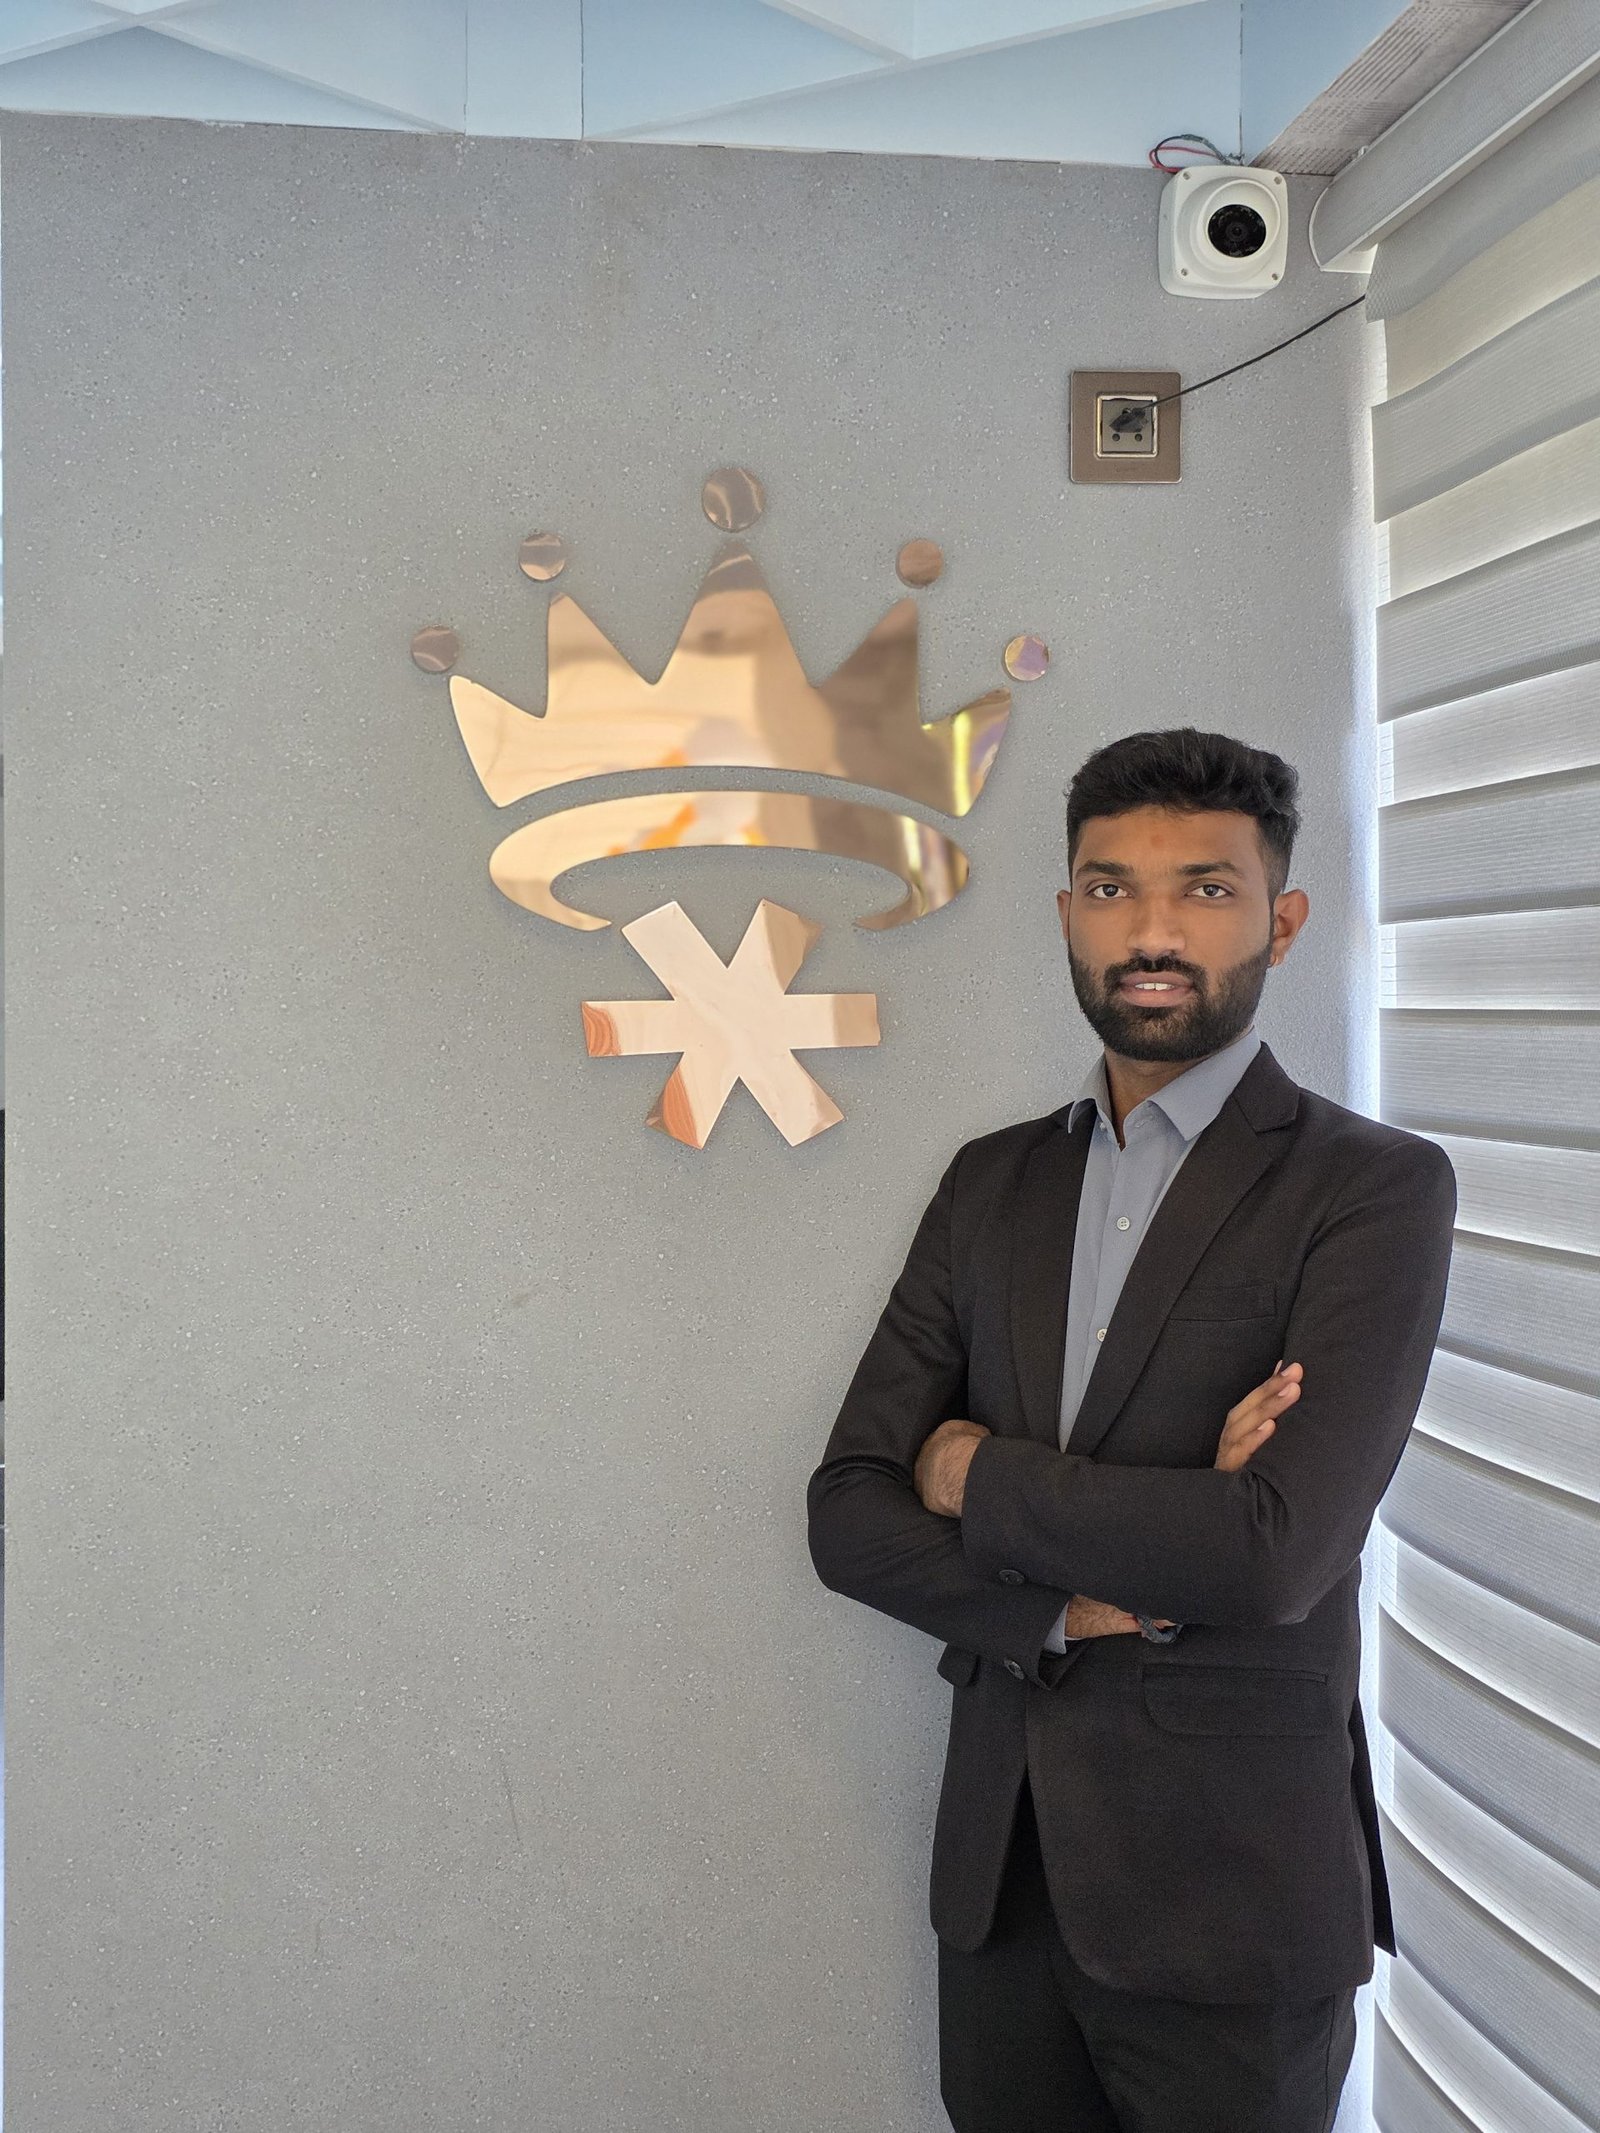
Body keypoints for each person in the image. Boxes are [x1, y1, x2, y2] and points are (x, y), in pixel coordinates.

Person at [806, 727, 1457, 2133]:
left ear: (1283, 919)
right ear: (1067, 914)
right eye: (1111, 889)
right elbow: (848, 1511)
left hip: (1234, 1898)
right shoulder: (990, 1185)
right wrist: (1086, 1601)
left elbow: (1268, 1553)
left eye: (1206, 889)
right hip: (1006, 1885)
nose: (1152, 931)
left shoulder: (1372, 1189)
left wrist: (971, 1470)